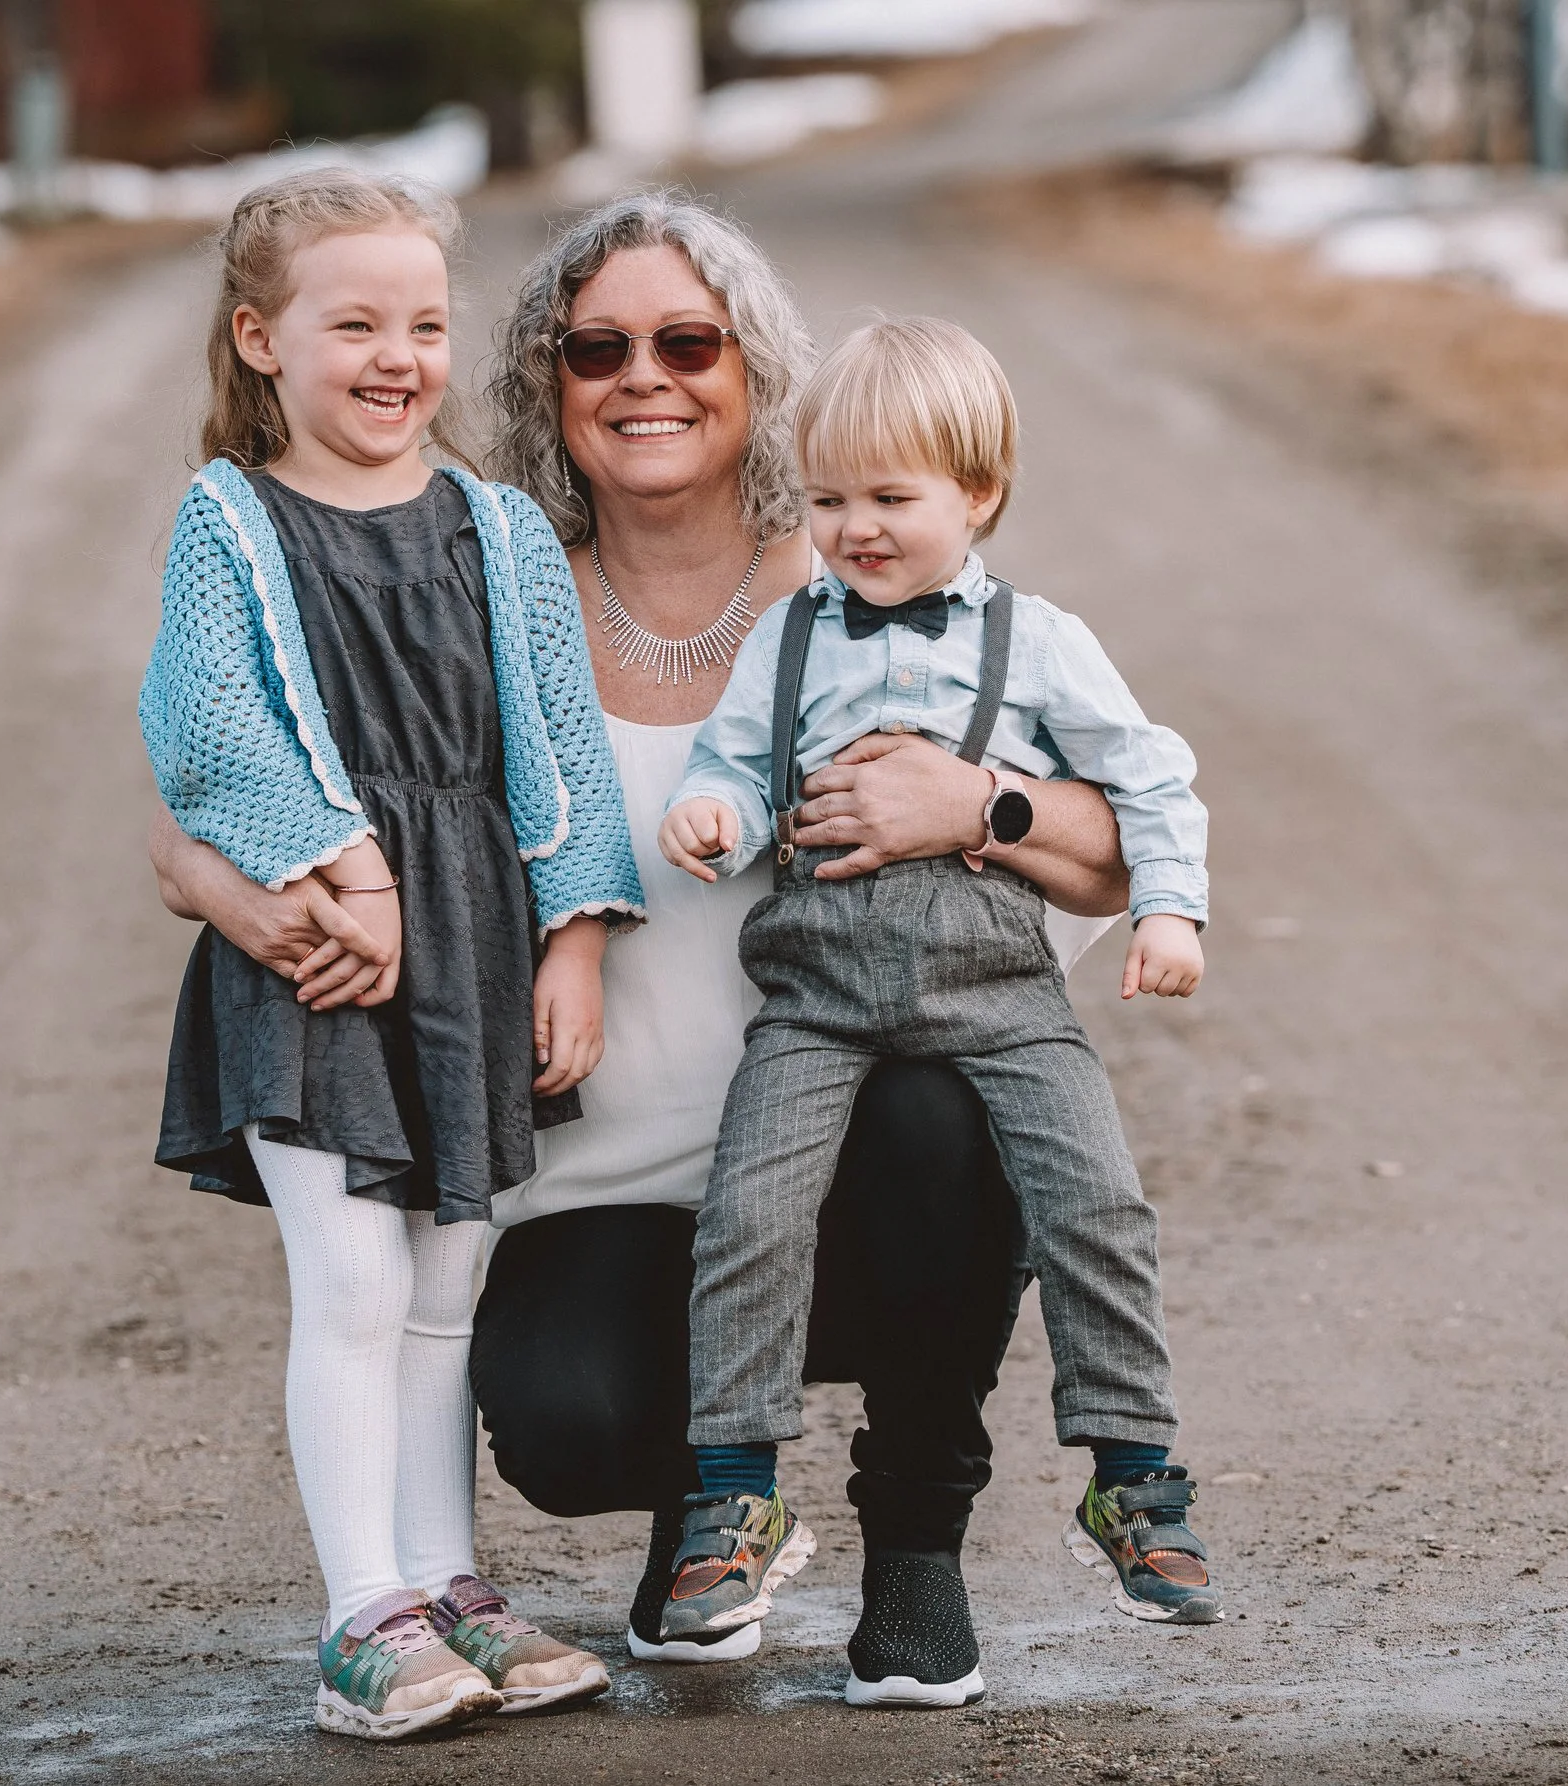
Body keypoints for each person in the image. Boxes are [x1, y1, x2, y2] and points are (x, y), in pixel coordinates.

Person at [150, 191, 1136, 1712]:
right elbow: (214, 789)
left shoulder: (868, 580)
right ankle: (709, 1508)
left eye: (690, 340)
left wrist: (979, 800)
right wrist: (234, 889)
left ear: (759, 374)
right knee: (564, 1412)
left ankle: (915, 1551)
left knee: (963, 1124)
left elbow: (1116, 841)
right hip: (597, 1192)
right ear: (548, 381)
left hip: (839, 1162)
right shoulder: (489, 579)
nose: (643, 376)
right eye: (594, 346)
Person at [136, 167, 642, 1741]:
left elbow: (560, 741)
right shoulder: (229, 518)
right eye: (352, 322)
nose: (395, 356)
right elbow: (205, 724)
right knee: (352, 1274)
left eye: (423, 323)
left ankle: (446, 1582)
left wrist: (579, 940)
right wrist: (348, 867)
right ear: (260, 338)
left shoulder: (493, 527)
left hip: (477, 936)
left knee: (447, 1276)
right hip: (320, 944)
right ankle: (362, 1614)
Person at [654, 317, 1223, 1678]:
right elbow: (727, 763)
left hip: (999, 984)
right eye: (831, 499)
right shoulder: (787, 637)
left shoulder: (1038, 640)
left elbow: (1149, 774)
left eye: (891, 499)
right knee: (750, 1205)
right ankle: (732, 1486)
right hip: (819, 991)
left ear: (980, 495)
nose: (855, 528)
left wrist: (1170, 907)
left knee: (1095, 1196)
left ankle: (1133, 1470)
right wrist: (716, 816)